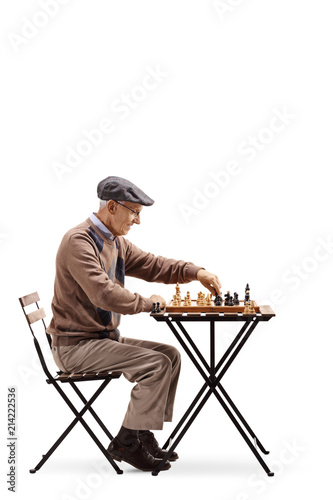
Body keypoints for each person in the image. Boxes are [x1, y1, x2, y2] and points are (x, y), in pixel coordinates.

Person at [47, 176, 221, 472]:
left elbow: (154, 265)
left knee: (170, 356)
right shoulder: (79, 241)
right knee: (156, 365)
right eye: (135, 213)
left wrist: (196, 272)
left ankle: (140, 433)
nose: (138, 221)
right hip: (75, 346)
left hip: (101, 340)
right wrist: (148, 303)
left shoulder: (115, 242)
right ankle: (125, 443)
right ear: (112, 207)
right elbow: (104, 294)